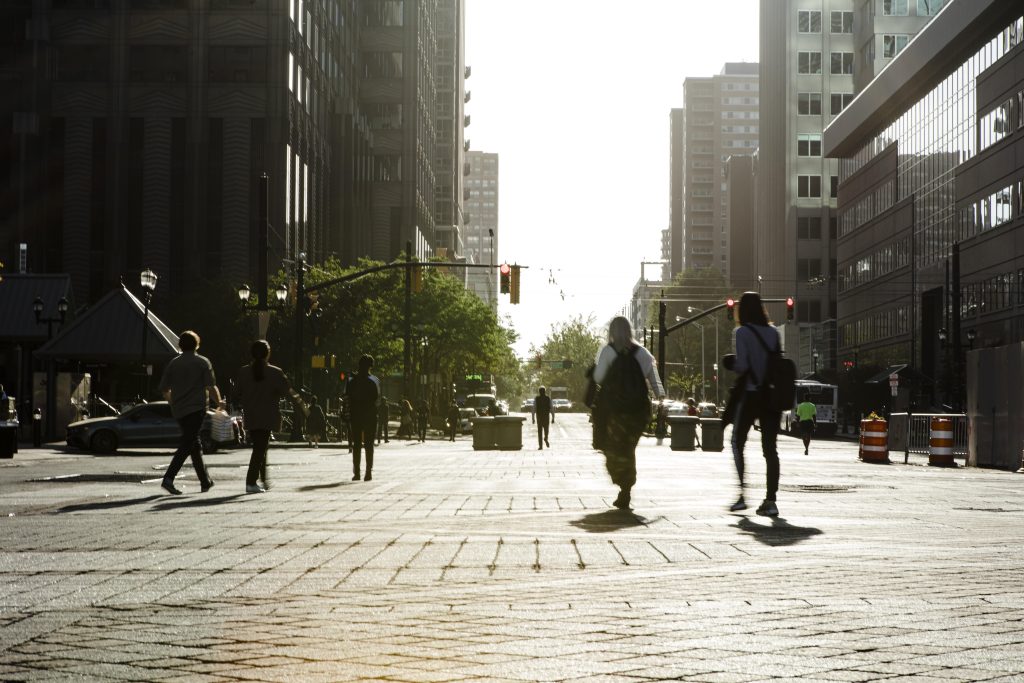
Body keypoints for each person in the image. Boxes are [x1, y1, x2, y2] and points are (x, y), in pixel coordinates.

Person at [593, 316, 665, 510]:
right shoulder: (643, 353)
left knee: (613, 449)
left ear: (611, 331)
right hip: (638, 412)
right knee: (628, 448)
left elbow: (598, 378)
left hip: (615, 412)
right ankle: (626, 488)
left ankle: (624, 485)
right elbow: (655, 381)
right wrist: (660, 400)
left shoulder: (608, 351)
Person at [721, 291, 782, 517]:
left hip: (751, 395)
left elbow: (743, 366)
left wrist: (730, 363)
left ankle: (742, 494)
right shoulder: (774, 333)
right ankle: (771, 500)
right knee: (770, 449)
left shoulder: (742, 332)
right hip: (771, 396)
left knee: (738, 442)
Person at [158, 331, 220, 495]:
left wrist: (173, 401)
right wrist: (219, 402)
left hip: (179, 409)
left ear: (180, 345)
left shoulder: (173, 363)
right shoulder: (202, 362)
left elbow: (164, 388)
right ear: (197, 344)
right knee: (188, 443)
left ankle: (205, 481)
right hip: (196, 408)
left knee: (194, 444)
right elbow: (210, 386)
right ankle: (169, 478)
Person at [234, 340, 301, 493]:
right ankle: (251, 481)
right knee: (260, 448)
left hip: (251, 414)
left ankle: (262, 479)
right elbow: (287, 392)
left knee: (260, 446)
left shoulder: (243, 372)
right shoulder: (275, 372)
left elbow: (236, 392)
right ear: (268, 353)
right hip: (268, 414)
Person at [347, 354, 379, 481]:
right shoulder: (373, 381)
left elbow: (348, 396)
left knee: (356, 444)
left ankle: (357, 472)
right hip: (370, 415)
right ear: (370, 367)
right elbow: (376, 398)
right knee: (369, 444)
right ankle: (368, 472)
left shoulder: (352, 381)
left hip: (356, 415)